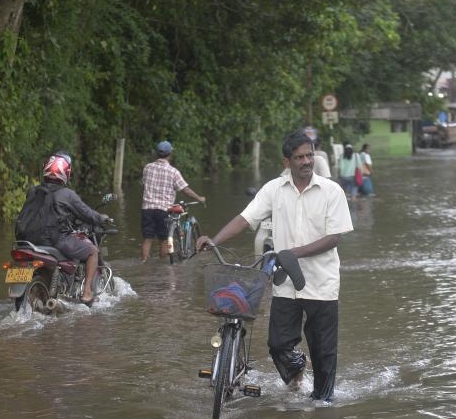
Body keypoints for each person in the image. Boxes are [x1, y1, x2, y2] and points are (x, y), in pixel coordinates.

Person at [197, 128, 353, 402]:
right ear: (287, 162)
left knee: (324, 353)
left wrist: (293, 252)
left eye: (309, 155)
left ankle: (323, 409)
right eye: (299, 157)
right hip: (287, 282)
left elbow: (334, 238)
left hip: (322, 283)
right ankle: (297, 369)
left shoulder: (332, 191)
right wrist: (214, 239)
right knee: (278, 345)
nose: (306, 161)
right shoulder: (273, 190)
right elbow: (245, 219)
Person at [17, 152, 113, 306]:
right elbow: (86, 213)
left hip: (27, 241)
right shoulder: (66, 194)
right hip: (54, 240)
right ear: (65, 173)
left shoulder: (34, 191)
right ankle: (87, 293)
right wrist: (101, 218)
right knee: (92, 251)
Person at [141, 140, 206, 262]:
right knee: (164, 240)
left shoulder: (147, 168)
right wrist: (199, 198)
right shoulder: (173, 172)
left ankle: (144, 263)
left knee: (147, 238)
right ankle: (163, 265)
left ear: (157, 154)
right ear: (170, 154)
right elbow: (185, 190)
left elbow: (145, 183)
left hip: (147, 209)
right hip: (164, 210)